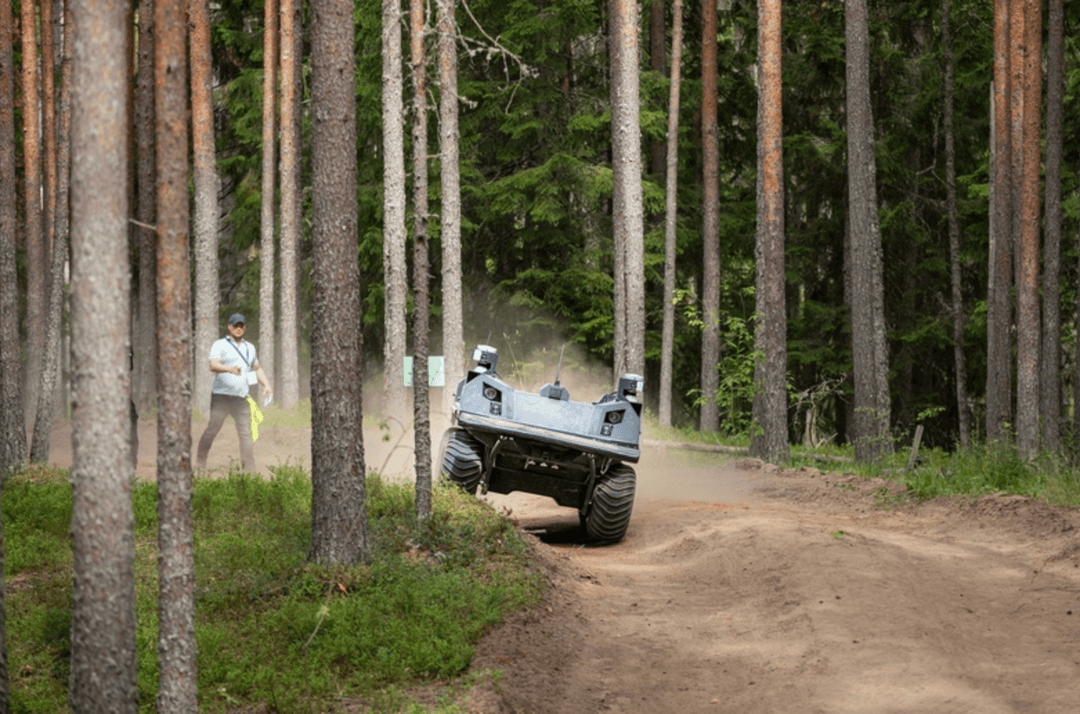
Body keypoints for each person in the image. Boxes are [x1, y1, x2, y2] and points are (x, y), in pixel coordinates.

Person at [196, 313, 273, 472]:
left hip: (241, 398)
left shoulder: (250, 347)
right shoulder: (220, 344)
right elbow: (213, 365)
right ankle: (200, 463)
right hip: (221, 397)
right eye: (235, 325)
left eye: (241, 326)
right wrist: (229, 369)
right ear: (229, 327)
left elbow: (256, 368)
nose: (238, 329)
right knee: (213, 429)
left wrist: (266, 384)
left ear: (244, 327)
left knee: (246, 433)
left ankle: (249, 470)